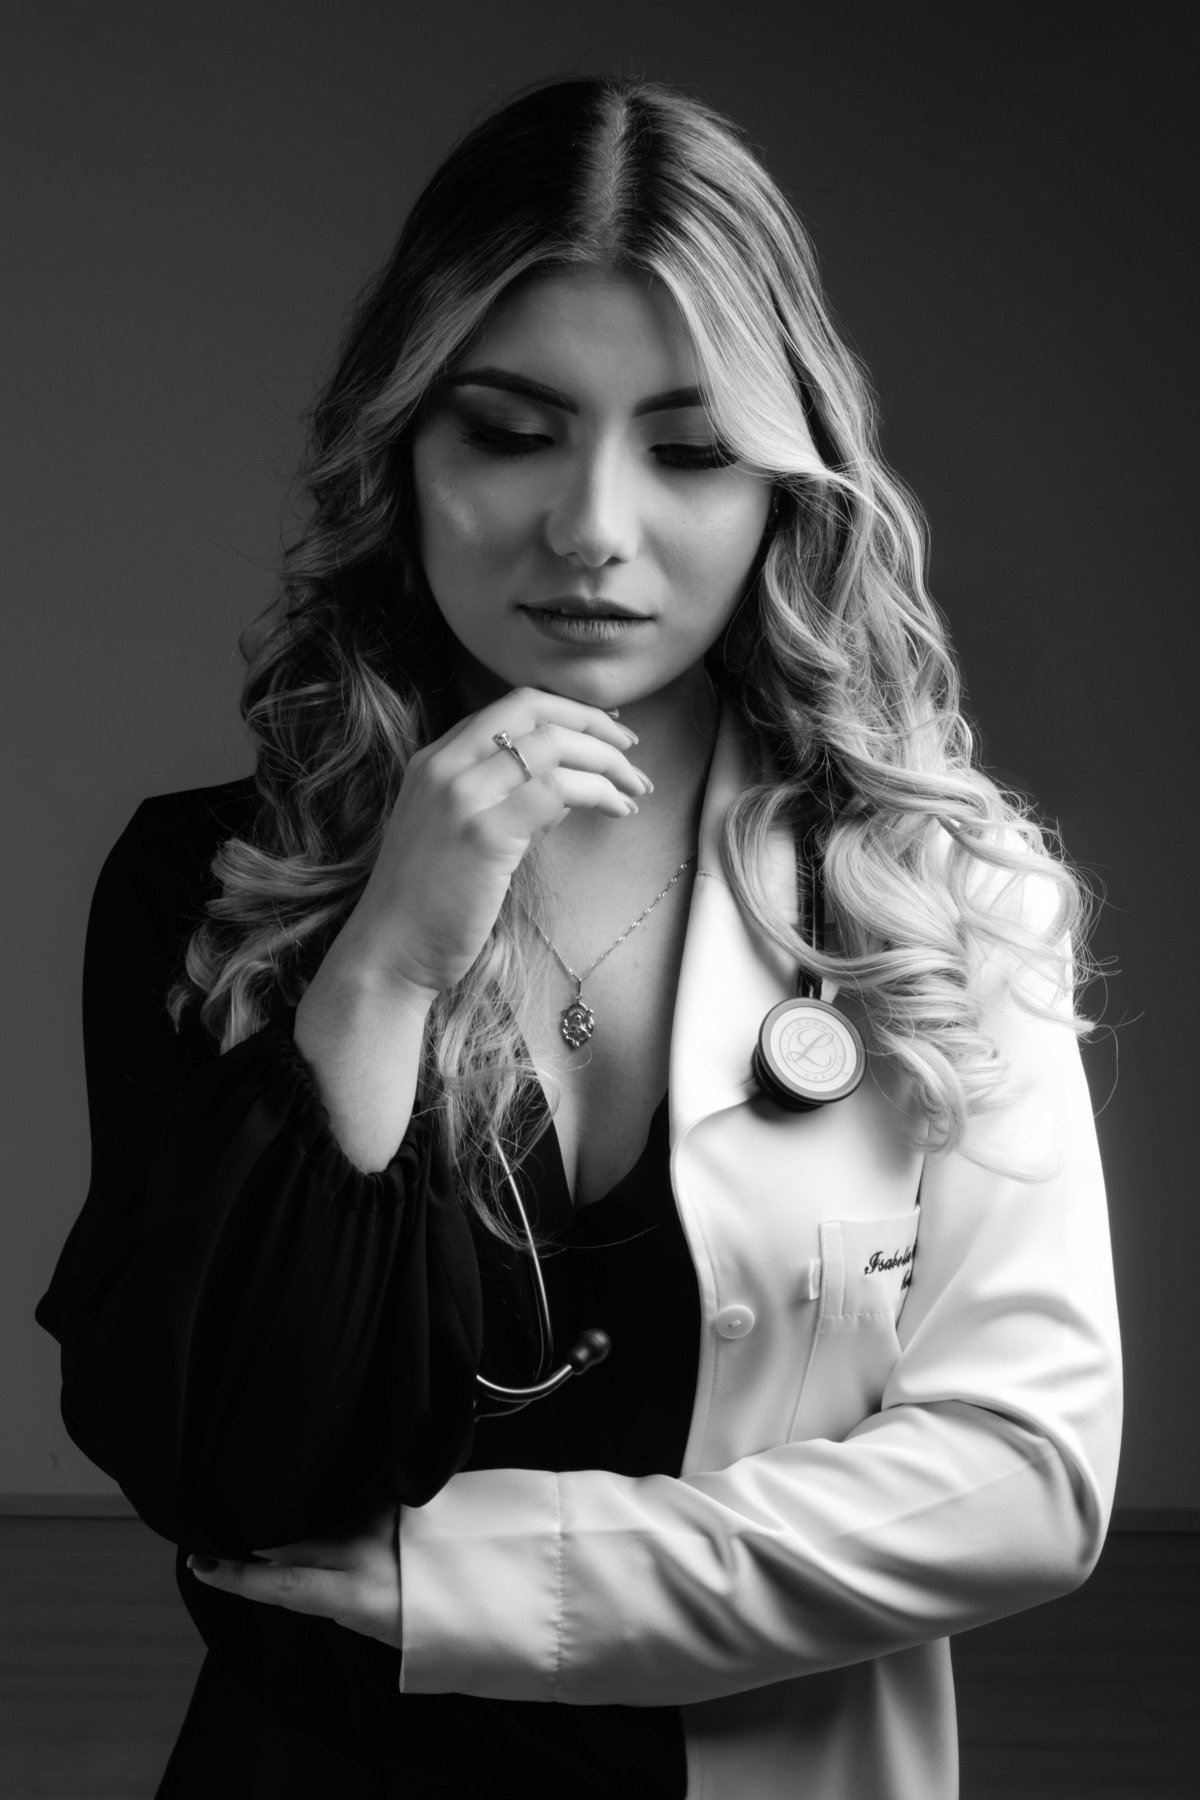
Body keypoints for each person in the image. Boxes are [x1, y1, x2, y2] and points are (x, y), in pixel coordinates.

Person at [36, 75, 1121, 1800]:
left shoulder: (945, 894)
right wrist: (385, 961)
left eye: (688, 450)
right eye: (510, 431)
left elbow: (1028, 1480)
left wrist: (466, 1584)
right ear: (403, 452)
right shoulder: (211, 883)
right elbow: (221, 1469)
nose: (593, 530)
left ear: (786, 486)